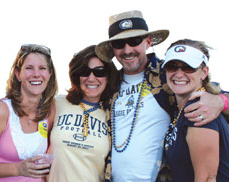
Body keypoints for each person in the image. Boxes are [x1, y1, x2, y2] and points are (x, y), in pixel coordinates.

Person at [95, 10, 229, 181]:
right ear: (113, 49)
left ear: (148, 42)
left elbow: (213, 91)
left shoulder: (169, 72)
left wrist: (220, 101)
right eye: (119, 44)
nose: (127, 50)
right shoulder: (109, 84)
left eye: (134, 41)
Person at [0, 44, 58, 181]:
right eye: (29, 68)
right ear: (18, 74)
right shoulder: (1, 111)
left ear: (49, 75)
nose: (36, 74)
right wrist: (18, 169)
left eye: (42, 68)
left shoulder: (50, 112)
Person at [48, 45, 119, 182]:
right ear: (77, 76)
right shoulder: (57, 103)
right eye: (85, 71)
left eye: (99, 72)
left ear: (108, 77)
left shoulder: (113, 114)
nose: (91, 78)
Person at [162, 39, 229, 182]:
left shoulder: (199, 110)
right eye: (172, 67)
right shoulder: (180, 109)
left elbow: (206, 179)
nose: (179, 74)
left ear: (204, 72)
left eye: (188, 68)